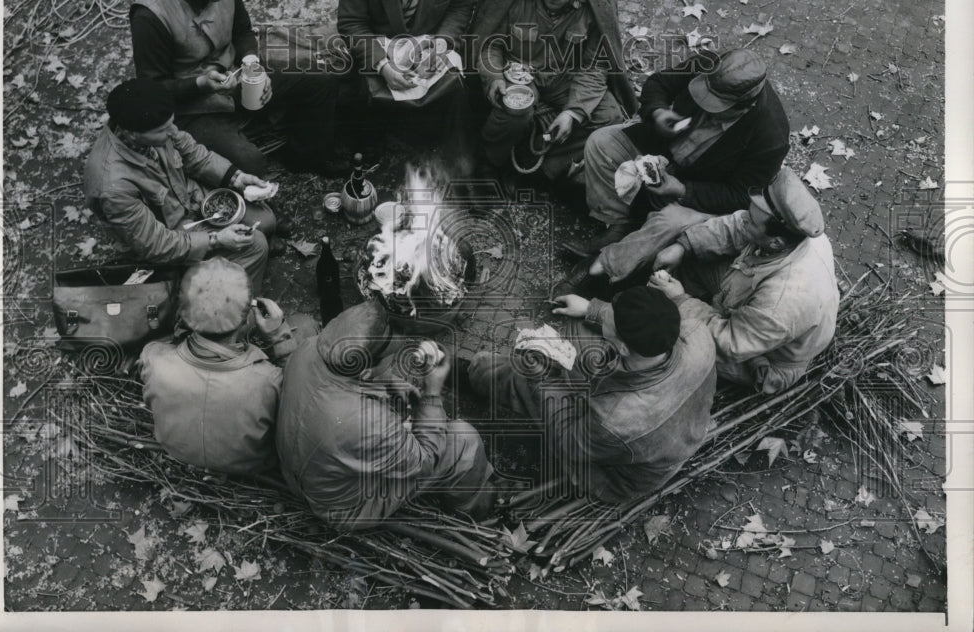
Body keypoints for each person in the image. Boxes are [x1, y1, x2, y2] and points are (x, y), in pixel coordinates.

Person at [131, 0, 345, 177]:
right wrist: (201, 83)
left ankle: (304, 157)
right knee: (251, 163)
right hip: (193, 107)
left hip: (237, 74)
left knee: (320, 78)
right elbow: (153, 89)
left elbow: (242, 31)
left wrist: (254, 67)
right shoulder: (150, 17)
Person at [468, 287, 716, 504]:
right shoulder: (696, 331)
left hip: (611, 474)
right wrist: (591, 308)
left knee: (522, 378)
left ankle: (476, 371)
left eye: (612, 318)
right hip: (662, 432)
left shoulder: (615, 420)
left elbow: (567, 438)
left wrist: (541, 378)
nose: (608, 314)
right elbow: (639, 323)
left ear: (622, 348)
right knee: (577, 332)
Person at [562, 49, 790, 284]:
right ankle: (618, 223)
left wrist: (682, 189)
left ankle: (604, 270)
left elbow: (740, 196)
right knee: (602, 143)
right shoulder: (708, 63)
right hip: (662, 149)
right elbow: (658, 83)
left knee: (669, 223)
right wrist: (658, 111)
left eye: (717, 107)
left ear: (744, 106)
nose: (705, 107)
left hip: (701, 188)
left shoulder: (771, 136)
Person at [276, 301, 495, 531]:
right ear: (367, 372)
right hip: (341, 507)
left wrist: (388, 380)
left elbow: (337, 388)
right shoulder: (370, 424)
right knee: (463, 441)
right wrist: (432, 392)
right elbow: (426, 461)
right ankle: (475, 508)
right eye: (391, 358)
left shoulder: (309, 347)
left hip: (303, 472)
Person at [648, 167, 839, 394]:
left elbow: (730, 343)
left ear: (775, 243)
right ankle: (694, 309)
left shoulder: (783, 301)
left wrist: (681, 301)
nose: (745, 219)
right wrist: (684, 245)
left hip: (764, 358)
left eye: (752, 222)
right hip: (754, 305)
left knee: (676, 345)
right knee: (691, 261)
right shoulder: (787, 231)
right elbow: (736, 226)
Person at [470, 0, 637, 183]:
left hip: (565, 77)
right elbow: (489, 44)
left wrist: (574, 112)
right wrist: (493, 76)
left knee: (609, 117)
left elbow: (594, 65)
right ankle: (492, 162)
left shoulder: (594, 6)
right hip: (518, 72)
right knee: (516, 107)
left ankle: (543, 166)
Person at [84, 78, 276, 293]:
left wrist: (236, 178)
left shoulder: (156, 124)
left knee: (265, 221)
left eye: (171, 124)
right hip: (168, 231)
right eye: (163, 131)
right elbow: (155, 244)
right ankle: (230, 304)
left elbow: (193, 154)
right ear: (131, 133)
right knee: (257, 245)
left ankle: (215, 268)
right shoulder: (113, 186)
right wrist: (215, 240)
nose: (172, 132)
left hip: (188, 198)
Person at [139, 257, 318, 476]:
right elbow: (301, 396)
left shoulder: (153, 358)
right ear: (245, 322)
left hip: (177, 452)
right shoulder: (268, 380)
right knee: (304, 325)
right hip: (251, 466)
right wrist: (279, 336)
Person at [336, 0, 477, 173]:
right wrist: (383, 66)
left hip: (431, 40)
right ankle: (371, 148)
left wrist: (441, 43)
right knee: (359, 91)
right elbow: (351, 23)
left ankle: (456, 159)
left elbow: (461, 5)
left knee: (458, 91)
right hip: (381, 42)